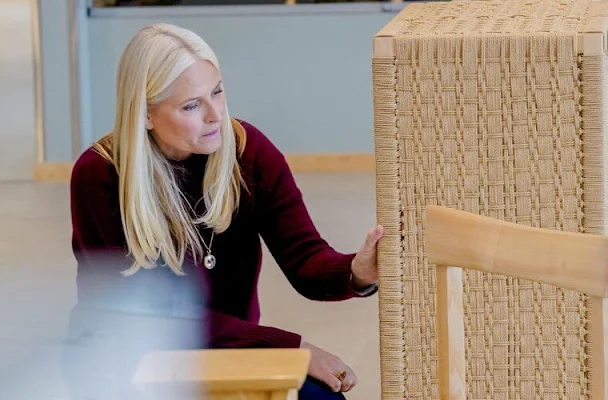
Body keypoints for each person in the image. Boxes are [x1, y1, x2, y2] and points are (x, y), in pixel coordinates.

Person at [62, 22, 383, 400]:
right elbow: (153, 317)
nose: (216, 115)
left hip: (227, 353)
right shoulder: (100, 175)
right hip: (130, 359)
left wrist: (356, 272)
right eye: (192, 105)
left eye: (217, 91)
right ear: (145, 114)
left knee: (322, 397)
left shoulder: (248, 151)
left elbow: (306, 261)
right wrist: (292, 347)